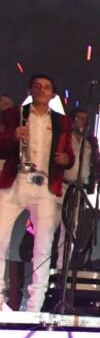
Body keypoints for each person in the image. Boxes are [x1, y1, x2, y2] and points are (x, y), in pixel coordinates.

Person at [0, 74, 75, 311]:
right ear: (30, 90)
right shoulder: (14, 114)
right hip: (15, 181)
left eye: (47, 87)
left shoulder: (61, 121)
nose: (42, 90)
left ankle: (35, 305)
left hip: (44, 185)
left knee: (43, 246)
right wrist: (12, 136)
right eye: (37, 86)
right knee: (0, 238)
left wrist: (66, 159)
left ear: (53, 94)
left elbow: (70, 156)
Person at [56, 108, 100, 269]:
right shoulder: (65, 138)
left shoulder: (90, 143)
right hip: (61, 185)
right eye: (79, 118)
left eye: (85, 119)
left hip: (78, 189)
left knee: (71, 227)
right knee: (52, 223)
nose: (82, 122)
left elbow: (97, 164)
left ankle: (62, 266)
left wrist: (97, 177)